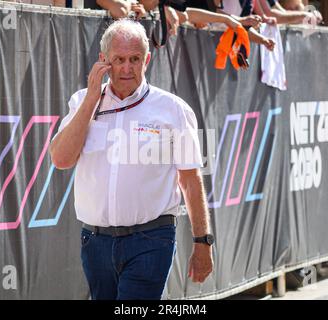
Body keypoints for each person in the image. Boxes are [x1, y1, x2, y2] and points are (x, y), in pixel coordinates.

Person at [49, 19, 214, 300]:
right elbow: (61, 159)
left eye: (135, 59)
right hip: (95, 241)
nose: (127, 68)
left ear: (147, 59)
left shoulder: (173, 109)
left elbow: (190, 179)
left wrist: (203, 242)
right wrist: (91, 100)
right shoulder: (81, 102)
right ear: (103, 61)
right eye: (119, 59)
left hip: (152, 238)